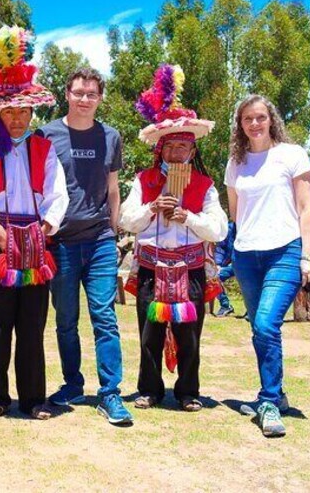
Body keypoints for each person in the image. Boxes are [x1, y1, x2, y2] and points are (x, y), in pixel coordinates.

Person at [0, 25, 69, 420]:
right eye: (11, 112)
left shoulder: (44, 148)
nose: (18, 119)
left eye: (24, 111)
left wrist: (47, 228)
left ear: (31, 112)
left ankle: (34, 399)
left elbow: (59, 196)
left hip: (38, 245)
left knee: (32, 324)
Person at [119, 65, 227, 414]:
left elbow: (219, 229)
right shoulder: (144, 180)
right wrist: (153, 206)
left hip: (190, 267)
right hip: (152, 266)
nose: (178, 153)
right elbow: (126, 221)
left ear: (192, 153)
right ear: (161, 150)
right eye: (172, 147)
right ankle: (149, 389)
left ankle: (187, 391)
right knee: (150, 332)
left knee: (190, 334)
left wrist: (188, 217)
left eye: (185, 148)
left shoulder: (205, 186)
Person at [37, 68, 132, 426]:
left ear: (99, 98)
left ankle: (110, 393)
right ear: (67, 93)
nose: (84, 99)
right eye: (79, 92)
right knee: (64, 321)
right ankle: (73, 384)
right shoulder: (46, 135)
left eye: (91, 94)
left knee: (104, 317)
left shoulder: (110, 137)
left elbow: (113, 189)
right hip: (60, 242)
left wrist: (112, 226)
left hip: (100, 242)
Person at [225, 94, 310, 437]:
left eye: (260, 117)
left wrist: (307, 254)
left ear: (271, 119)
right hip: (246, 254)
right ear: (240, 124)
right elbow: (235, 213)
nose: (254, 124)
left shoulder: (291, 155)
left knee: (265, 323)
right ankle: (276, 395)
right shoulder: (236, 162)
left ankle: (267, 401)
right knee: (259, 329)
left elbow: (306, 207)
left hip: (285, 251)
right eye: (247, 118)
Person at [212, 221, 237, 317]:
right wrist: (218, 264)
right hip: (230, 265)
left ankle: (252, 310)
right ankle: (226, 305)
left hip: (247, 264)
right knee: (214, 278)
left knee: (252, 281)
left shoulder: (252, 227)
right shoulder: (228, 229)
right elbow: (221, 248)